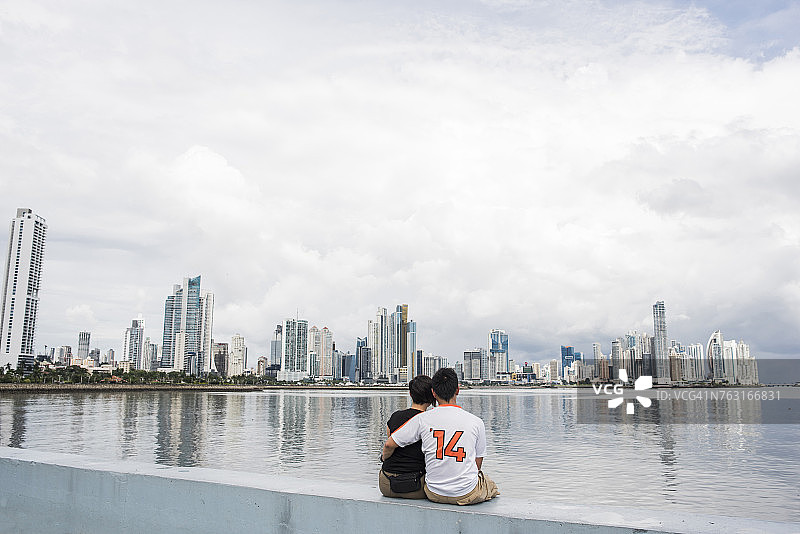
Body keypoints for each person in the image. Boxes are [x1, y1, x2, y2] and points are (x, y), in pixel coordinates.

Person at [381, 367, 499, 505]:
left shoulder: (422, 419)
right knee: (490, 485)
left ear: (434, 393)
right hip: (466, 493)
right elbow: (477, 464)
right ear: (458, 390)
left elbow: (390, 443)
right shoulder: (476, 422)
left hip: (433, 492)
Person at [378, 375, 435, 499]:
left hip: (386, 484)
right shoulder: (430, 422)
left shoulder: (395, 417)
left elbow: (389, 442)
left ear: (410, 394)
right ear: (432, 396)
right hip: (415, 486)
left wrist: (383, 458)